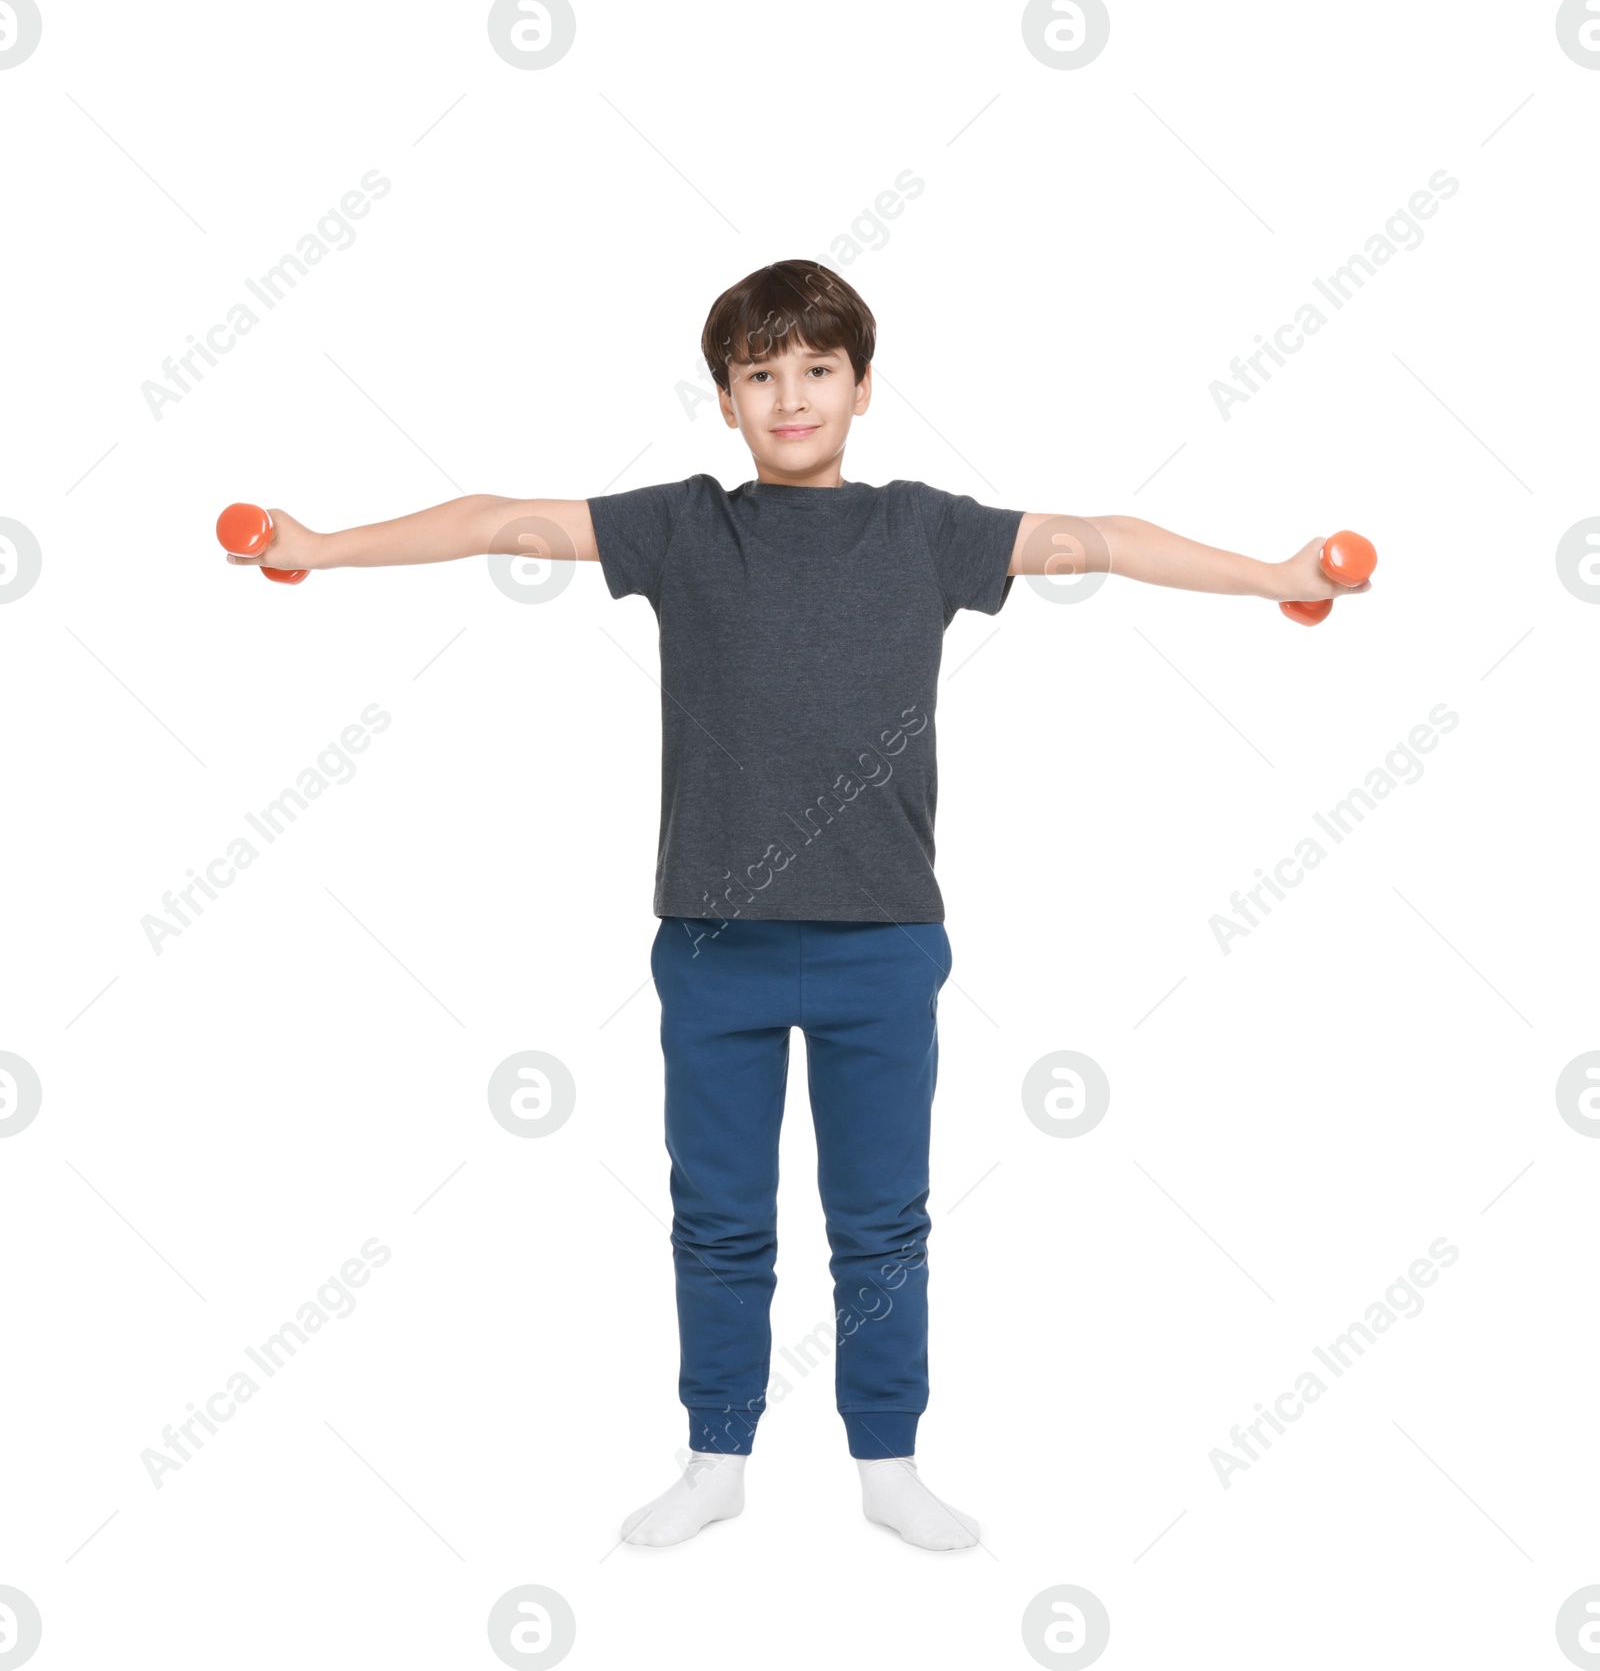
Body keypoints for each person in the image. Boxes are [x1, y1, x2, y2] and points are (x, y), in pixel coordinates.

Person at [231, 259, 1368, 1550]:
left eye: (816, 369)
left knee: (880, 1217)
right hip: (712, 943)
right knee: (718, 1212)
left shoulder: (925, 530)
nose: (790, 395)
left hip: (886, 939)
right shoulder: (682, 527)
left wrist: (1278, 574)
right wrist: (316, 549)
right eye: (759, 374)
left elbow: (1102, 541)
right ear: (724, 399)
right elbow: (500, 518)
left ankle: (888, 1460)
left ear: (863, 387)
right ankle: (716, 1454)